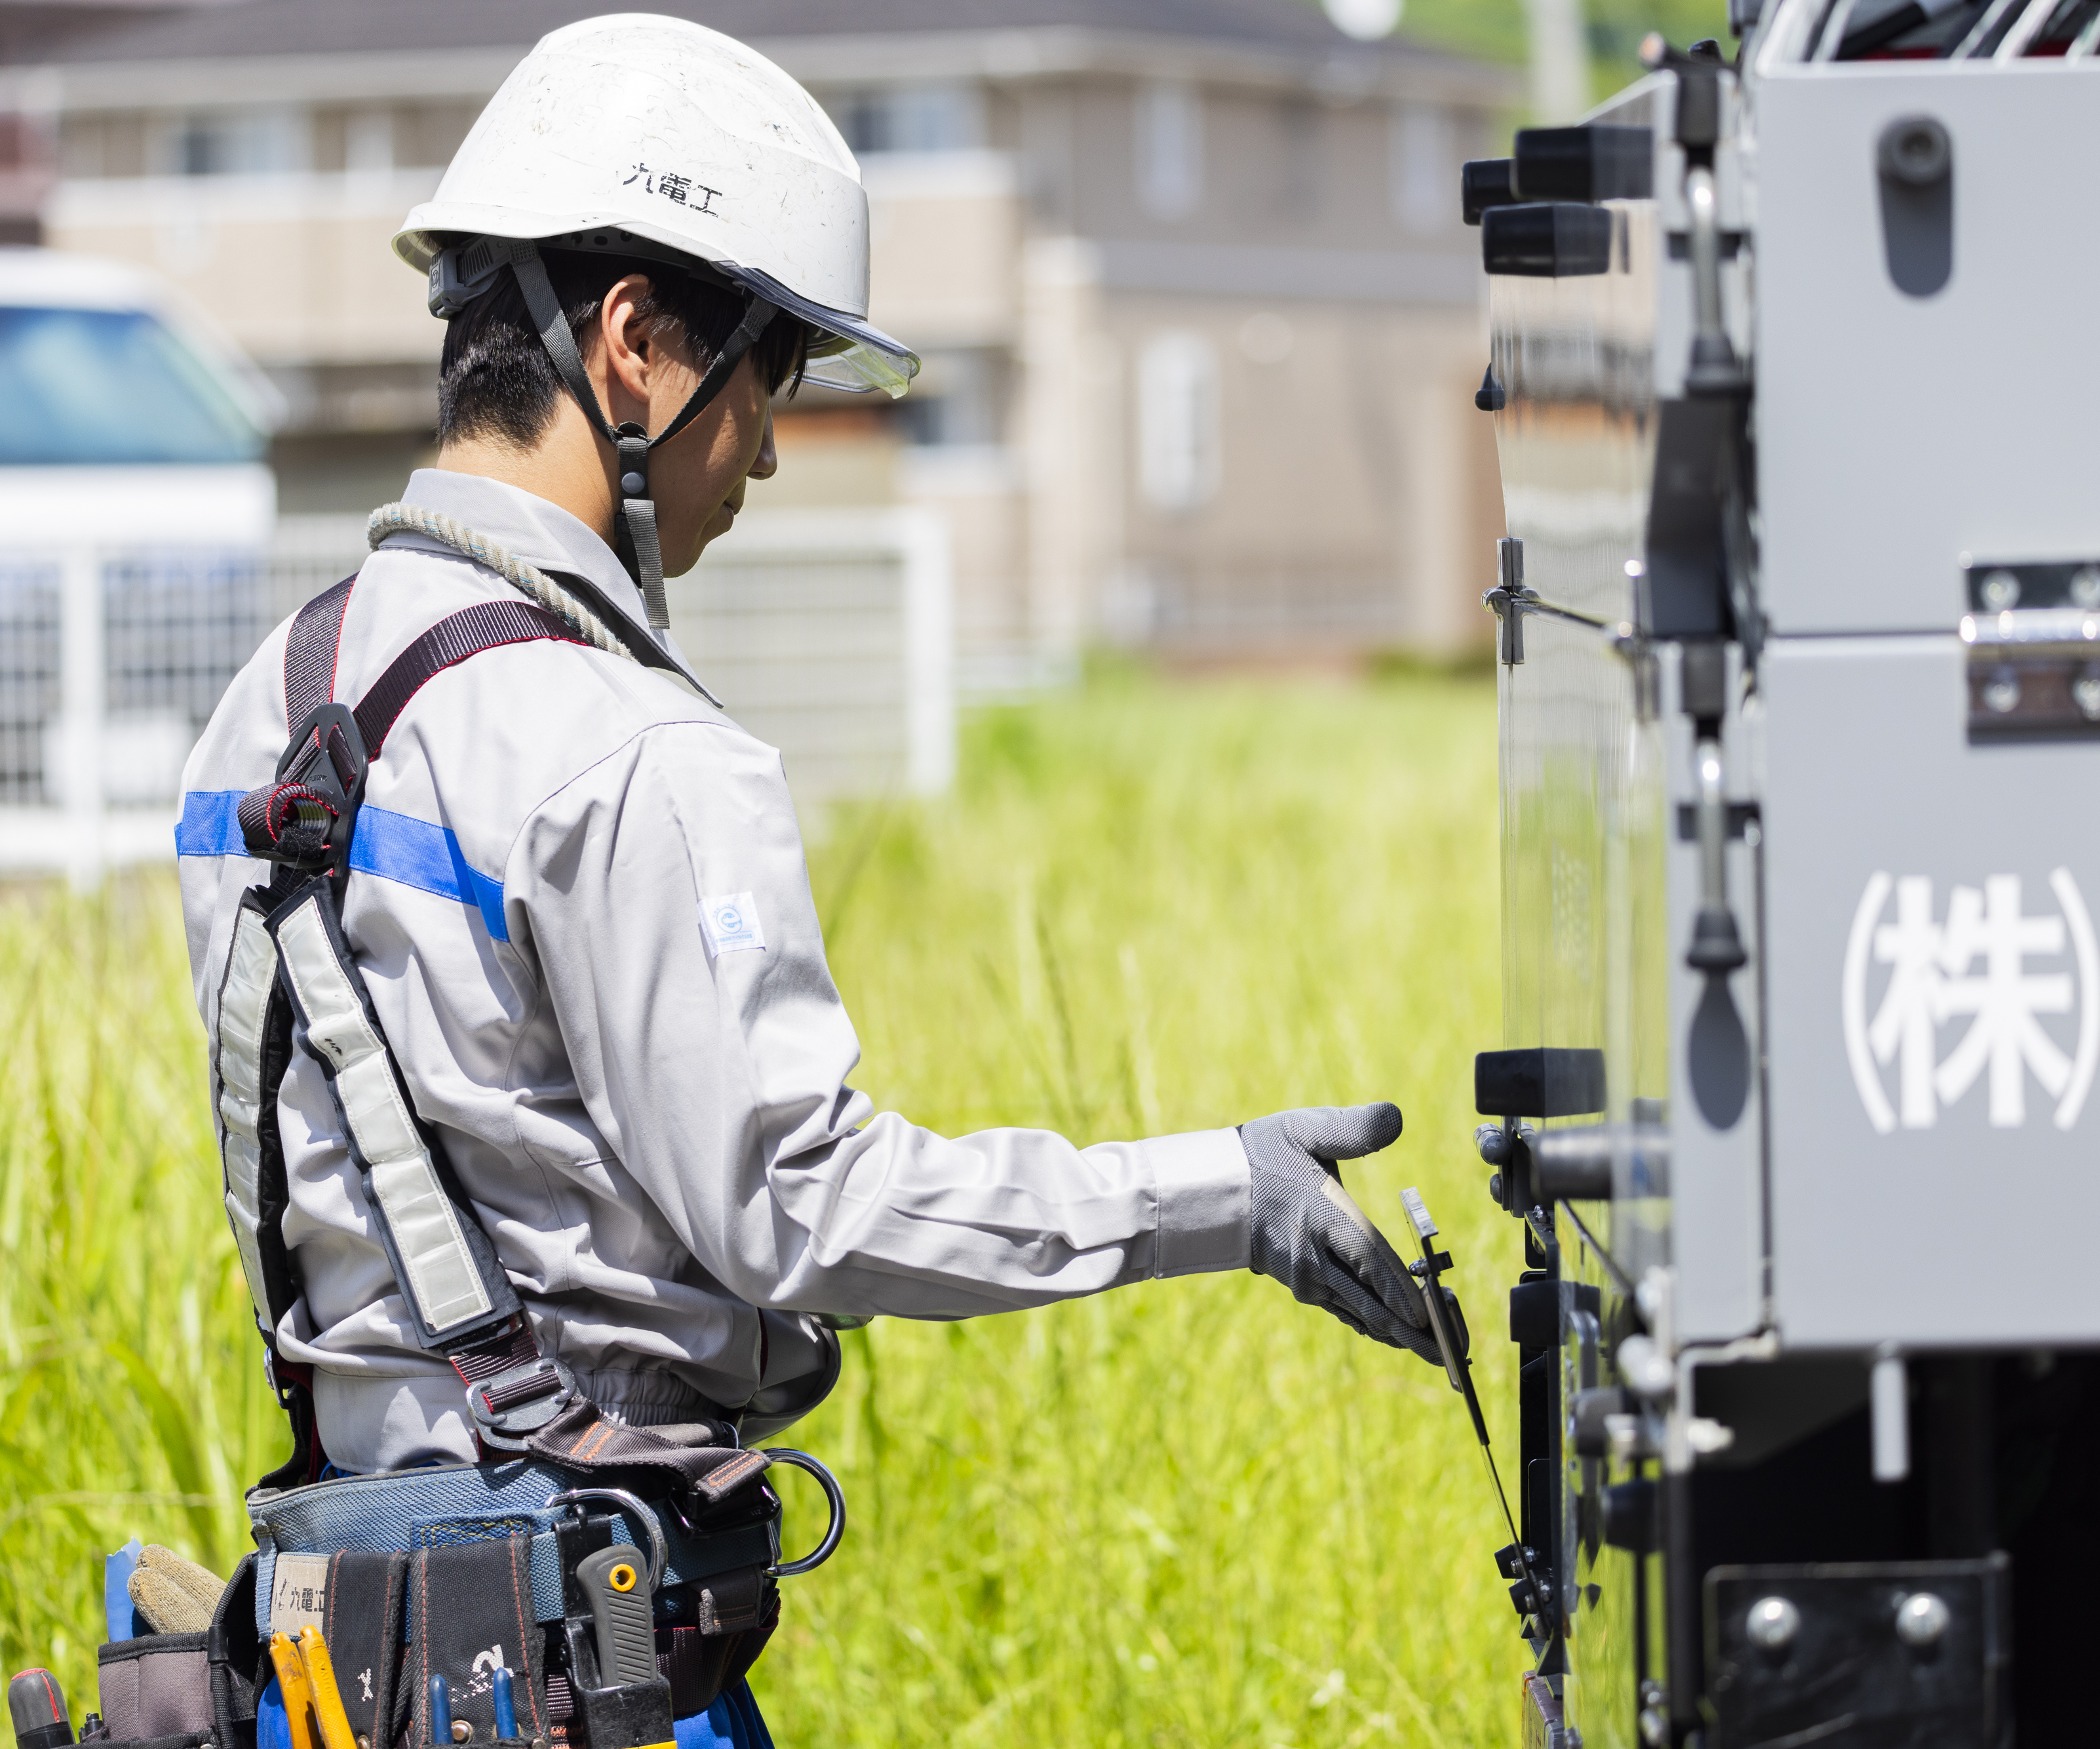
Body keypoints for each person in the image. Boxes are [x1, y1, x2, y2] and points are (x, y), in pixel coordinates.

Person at [175, 12, 1438, 1739]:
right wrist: (1224, 1189)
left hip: (341, 1655)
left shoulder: (257, 717)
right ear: (633, 345)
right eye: (765, 380)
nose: (765, 452)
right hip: (584, 1663)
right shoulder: (624, 746)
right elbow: (800, 1201)